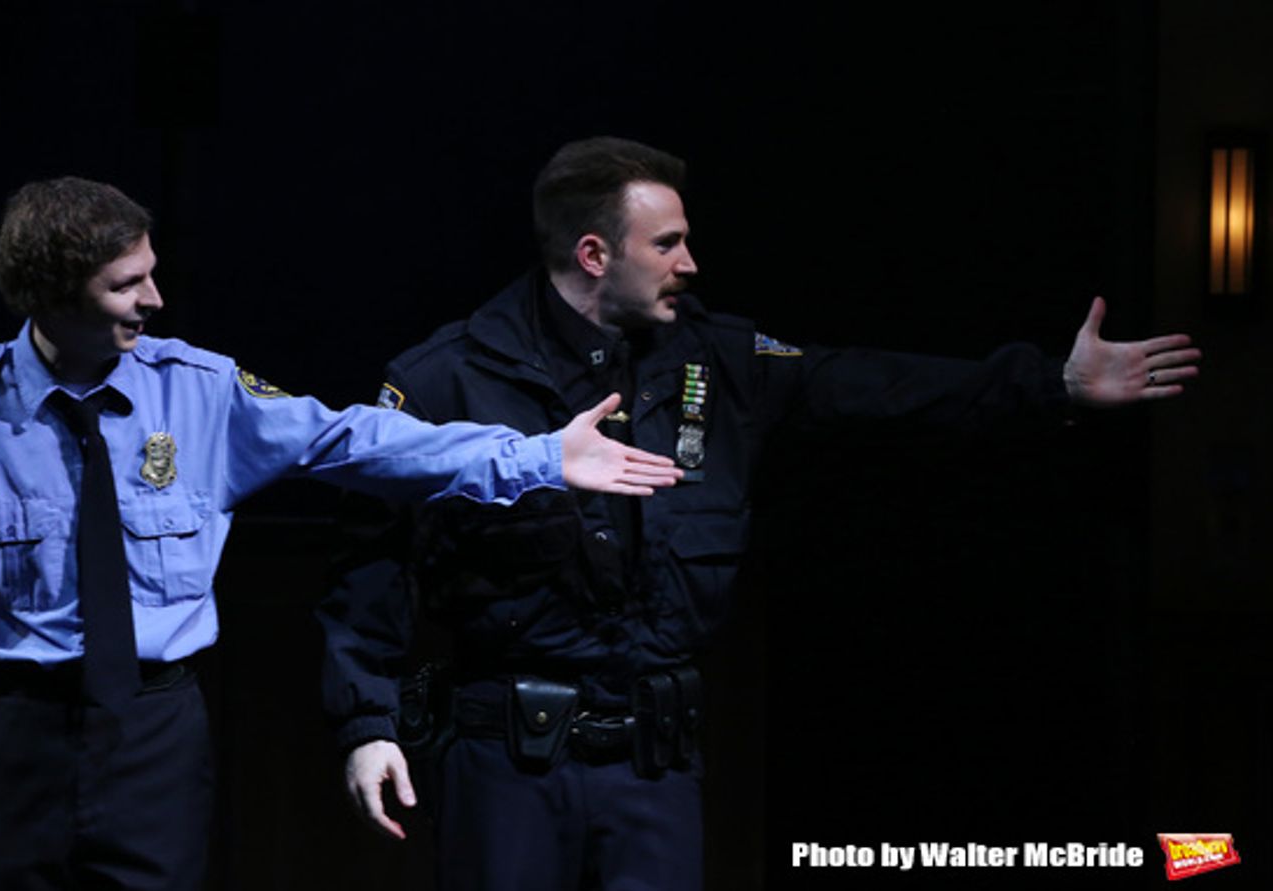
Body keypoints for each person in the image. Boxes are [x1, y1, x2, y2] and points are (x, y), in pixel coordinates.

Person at [325, 137, 1201, 890]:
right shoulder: (447, 379)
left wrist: (1052, 384)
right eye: (667, 243)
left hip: (654, 765)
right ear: (594, 254)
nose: (690, 263)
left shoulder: (714, 359)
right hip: (506, 768)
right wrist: (367, 723)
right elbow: (372, 561)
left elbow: (870, 388)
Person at [0, 175, 681, 891]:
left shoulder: (199, 389)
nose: (154, 298)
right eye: (126, 284)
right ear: (53, 295)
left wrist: (537, 456)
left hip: (153, 735)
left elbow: (357, 440)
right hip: (13, 737)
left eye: (151, 271)